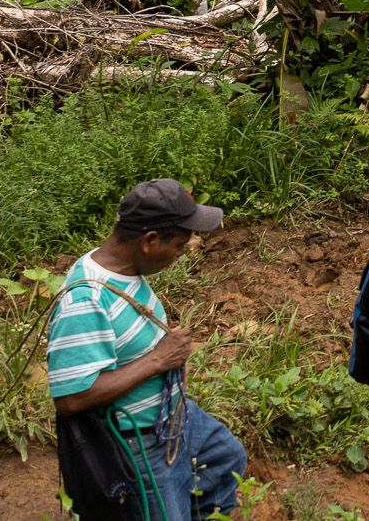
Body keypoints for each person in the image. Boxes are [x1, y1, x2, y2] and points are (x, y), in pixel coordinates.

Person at [47, 179, 247, 521]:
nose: (184, 253)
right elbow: (71, 399)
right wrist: (159, 359)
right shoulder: (85, 300)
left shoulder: (123, 271)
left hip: (171, 418)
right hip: (139, 444)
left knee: (225, 457)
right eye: (181, 246)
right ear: (149, 240)